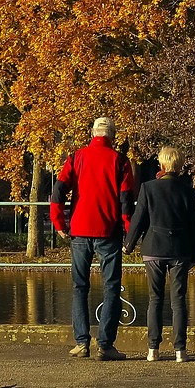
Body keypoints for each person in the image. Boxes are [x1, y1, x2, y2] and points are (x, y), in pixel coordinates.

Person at [50, 116, 135, 361]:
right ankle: (105, 345)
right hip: (108, 231)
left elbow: (58, 190)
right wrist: (128, 231)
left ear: (92, 134)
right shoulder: (120, 161)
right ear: (112, 136)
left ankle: (82, 342)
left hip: (79, 229)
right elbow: (126, 199)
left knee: (79, 286)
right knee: (111, 287)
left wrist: (59, 221)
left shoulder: (76, 158)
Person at [124, 145, 195, 363]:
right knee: (179, 301)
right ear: (179, 165)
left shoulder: (149, 188)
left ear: (162, 164)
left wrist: (128, 244)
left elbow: (138, 220)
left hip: (154, 249)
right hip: (180, 250)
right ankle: (180, 350)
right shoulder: (188, 191)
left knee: (154, 299)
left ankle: (153, 349)